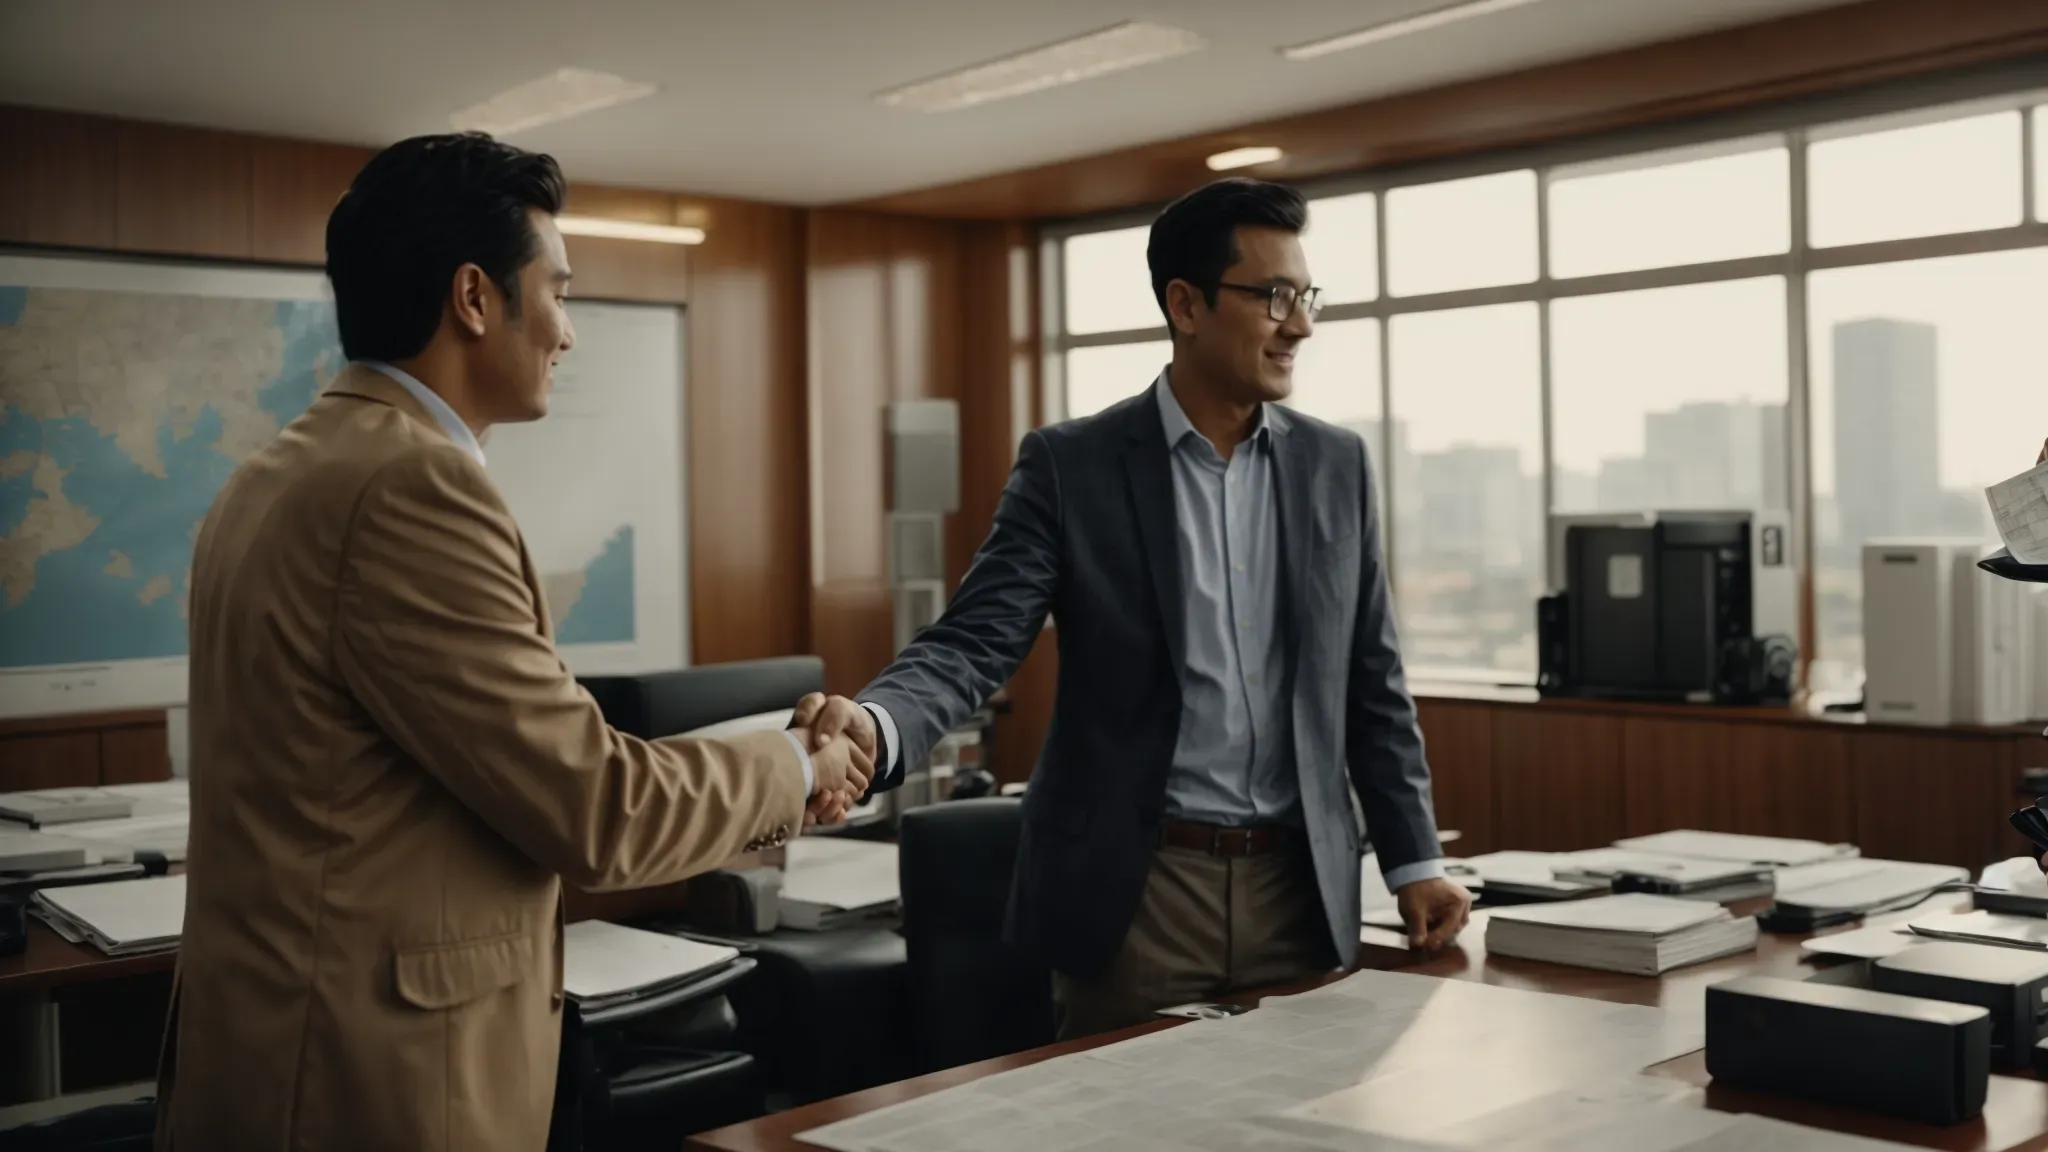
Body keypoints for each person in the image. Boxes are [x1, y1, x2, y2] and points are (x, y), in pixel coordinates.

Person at [156, 133, 872, 1152]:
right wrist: (798, 761)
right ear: (474, 298)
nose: (567, 333)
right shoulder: (412, 487)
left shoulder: (279, 470)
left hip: (278, 1048)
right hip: (366, 1082)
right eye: (559, 292)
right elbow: (596, 810)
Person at [795, 177, 1470, 1040]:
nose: (1299, 323)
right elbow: (975, 641)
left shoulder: (1337, 467)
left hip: (1301, 889)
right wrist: (880, 727)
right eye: (1272, 297)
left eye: (1304, 296)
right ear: (1185, 305)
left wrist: (1415, 858)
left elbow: (1372, 682)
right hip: (1141, 891)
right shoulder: (1072, 466)